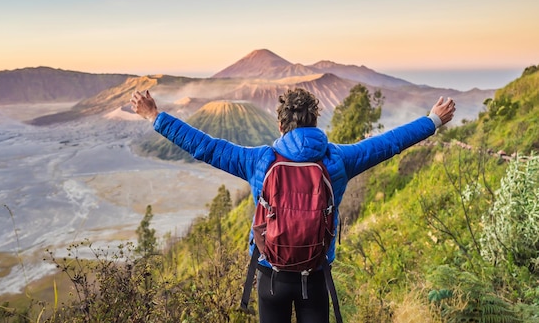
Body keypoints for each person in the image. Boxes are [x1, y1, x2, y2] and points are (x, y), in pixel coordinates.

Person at [130, 87, 456, 323]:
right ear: (315, 121)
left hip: (270, 274)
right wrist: (433, 120)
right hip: (315, 273)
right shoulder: (338, 160)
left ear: (281, 125)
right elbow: (390, 143)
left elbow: (205, 147)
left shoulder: (260, 161)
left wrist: (155, 116)